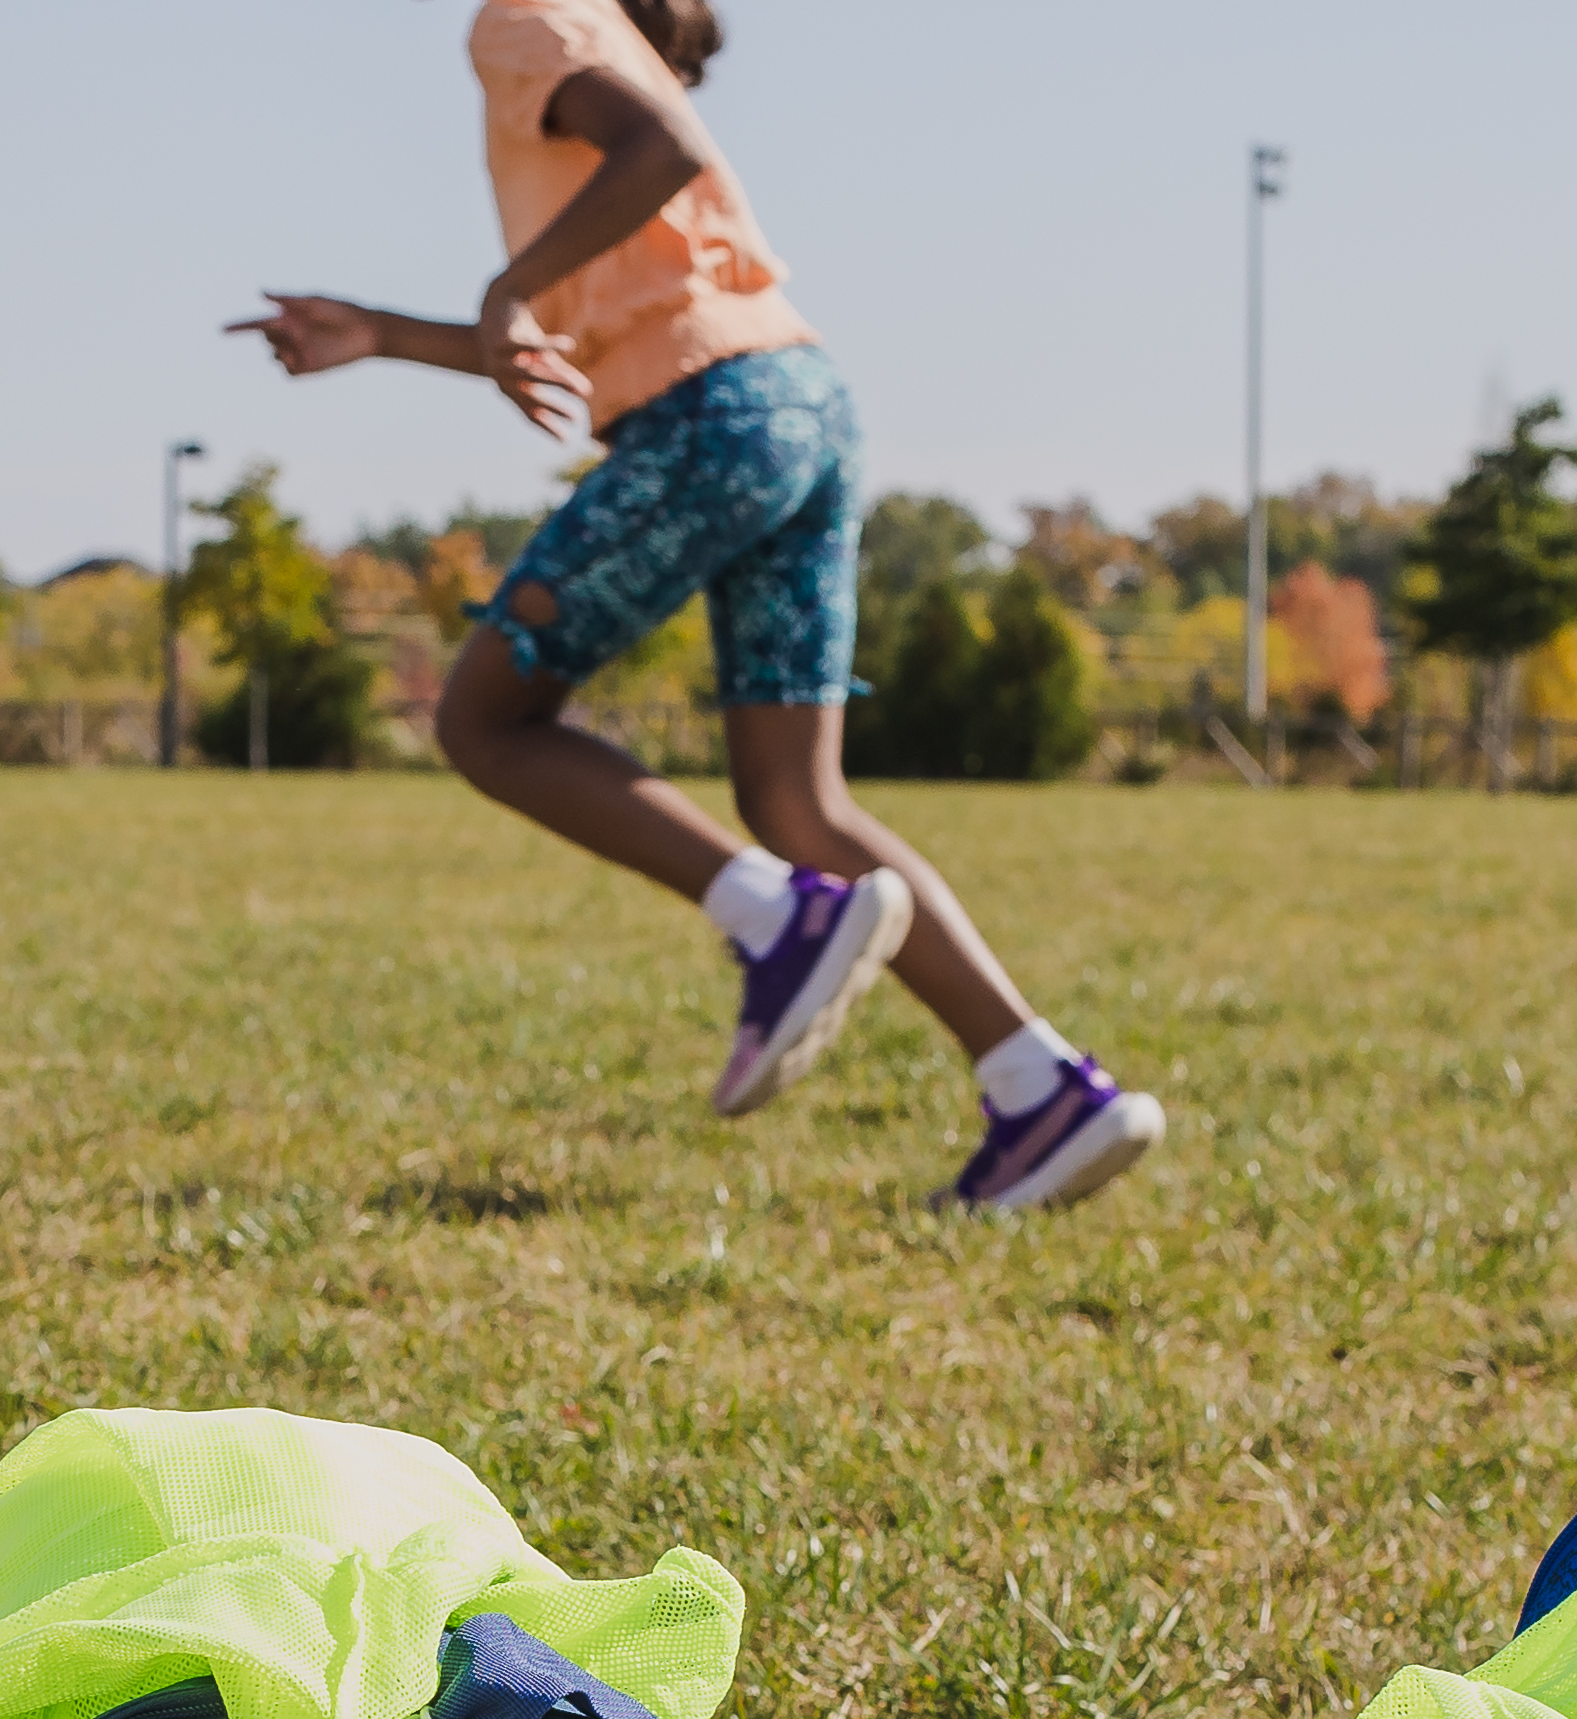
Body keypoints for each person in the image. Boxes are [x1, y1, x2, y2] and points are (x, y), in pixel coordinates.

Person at [233, 0, 1161, 1215]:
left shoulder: (525, 17)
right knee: (795, 798)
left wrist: (510, 285)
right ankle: (1043, 1086)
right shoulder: (582, 35)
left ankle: (773, 918)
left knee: (486, 722)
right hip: (795, 399)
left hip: (708, 416)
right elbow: (593, 318)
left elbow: (663, 152)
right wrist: (390, 335)